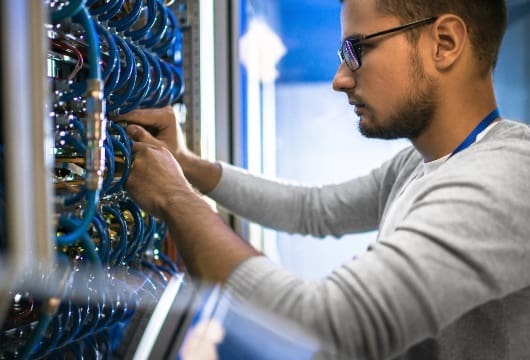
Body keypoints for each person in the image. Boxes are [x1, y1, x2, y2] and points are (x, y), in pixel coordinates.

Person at [120, 0, 530, 358]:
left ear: (444, 42)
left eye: (358, 49)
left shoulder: (507, 176)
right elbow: (314, 209)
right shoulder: (418, 164)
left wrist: (175, 198)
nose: (340, 78)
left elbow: (324, 330)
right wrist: (188, 165)